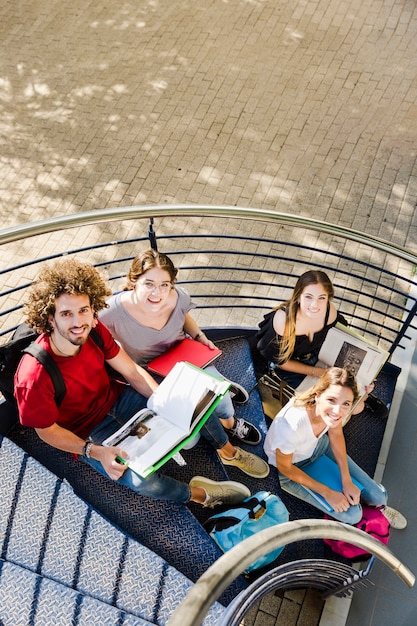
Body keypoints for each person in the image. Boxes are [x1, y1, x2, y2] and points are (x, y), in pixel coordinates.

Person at [14, 258, 259, 510]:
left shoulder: (95, 331)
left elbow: (130, 370)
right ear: (50, 318)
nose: (78, 322)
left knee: (189, 403)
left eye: (84, 310)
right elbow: (46, 431)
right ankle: (200, 495)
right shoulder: (32, 376)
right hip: (86, 430)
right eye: (66, 313)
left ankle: (228, 451)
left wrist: (164, 399)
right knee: (142, 482)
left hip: (118, 398)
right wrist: (94, 451)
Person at [99, 249, 269, 479]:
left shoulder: (177, 296)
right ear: (133, 282)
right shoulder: (111, 312)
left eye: (164, 284)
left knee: (224, 404)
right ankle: (227, 446)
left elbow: (185, 316)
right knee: (194, 428)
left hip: (185, 356)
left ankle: (230, 424)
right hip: (153, 371)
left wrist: (199, 336)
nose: (157, 293)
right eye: (148, 283)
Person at [263, 367, 406, 529]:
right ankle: (359, 512)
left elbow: (336, 435)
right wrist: (327, 492)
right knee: (353, 515)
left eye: (346, 404)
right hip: (293, 468)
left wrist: (346, 480)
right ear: (318, 396)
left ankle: (376, 508)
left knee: (378, 497)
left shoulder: (333, 414)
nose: (338, 411)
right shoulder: (291, 425)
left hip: (318, 447)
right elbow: (285, 468)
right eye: (331, 400)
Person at [256, 269, 381, 417]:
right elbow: (281, 362)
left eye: (322, 298)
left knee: (353, 397)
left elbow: (343, 342)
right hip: (291, 368)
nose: (315, 305)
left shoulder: (329, 313)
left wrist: (365, 374)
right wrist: (319, 373)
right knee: (330, 403)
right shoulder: (284, 323)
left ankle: (360, 395)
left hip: (320, 357)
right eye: (308, 297)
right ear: (298, 297)